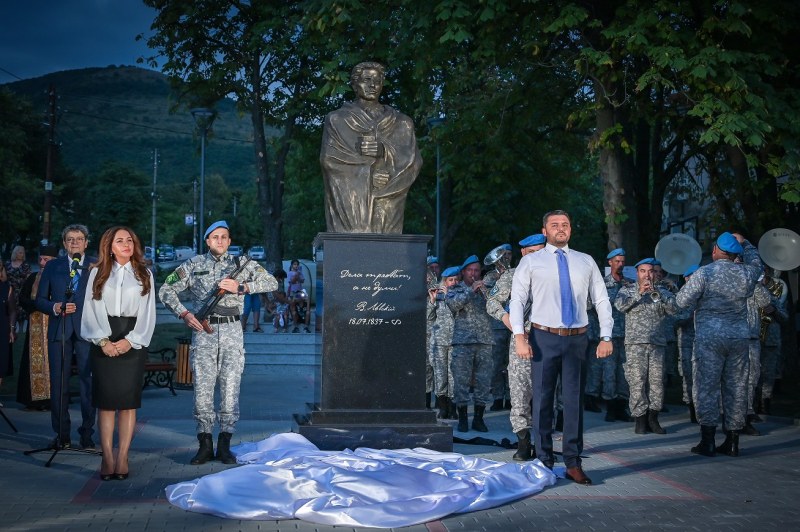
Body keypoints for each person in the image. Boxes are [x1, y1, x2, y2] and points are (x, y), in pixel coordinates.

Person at [159, 221, 277, 465]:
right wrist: (185, 314)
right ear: (207, 241)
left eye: (224, 237)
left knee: (231, 388)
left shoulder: (241, 265)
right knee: (202, 390)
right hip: (204, 331)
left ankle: (225, 444)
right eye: (215, 237)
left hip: (233, 330)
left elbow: (272, 283)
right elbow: (166, 290)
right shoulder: (194, 265)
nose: (220, 241)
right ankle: (204, 444)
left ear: (229, 241)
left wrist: (242, 286)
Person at [510, 210, 613, 485]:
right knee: (542, 400)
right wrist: (520, 336)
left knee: (573, 401)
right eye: (554, 225)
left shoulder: (585, 261)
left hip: (578, 338)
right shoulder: (531, 262)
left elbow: (601, 300)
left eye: (565, 224)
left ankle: (572, 462)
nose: (560, 229)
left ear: (570, 230)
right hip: (543, 336)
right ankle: (544, 461)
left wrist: (606, 336)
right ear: (544, 230)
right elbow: (517, 301)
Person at [674, 232, 765, 457]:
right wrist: (746, 242)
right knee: (736, 388)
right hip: (739, 338)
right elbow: (757, 262)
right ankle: (733, 442)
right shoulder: (746, 272)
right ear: (735, 253)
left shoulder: (704, 273)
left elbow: (680, 302)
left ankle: (708, 441)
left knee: (707, 387)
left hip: (710, 339)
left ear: (715, 249)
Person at [81, 227, 156, 480]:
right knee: (106, 403)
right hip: (103, 334)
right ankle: (107, 456)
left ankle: (122, 455)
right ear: (109, 246)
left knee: (127, 403)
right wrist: (103, 340)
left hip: (132, 338)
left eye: (130, 240)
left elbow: (148, 313)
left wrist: (132, 341)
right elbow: (90, 309)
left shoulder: (144, 274)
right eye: (119, 240)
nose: (126, 244)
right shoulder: (97, 273)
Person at [320, 61, 422, 233]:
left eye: (377, 80)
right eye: (366, 80)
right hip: (352, 213)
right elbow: (329, 161)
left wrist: (384, 152)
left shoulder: (402, 123)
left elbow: (413, 162)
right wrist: (367, 175)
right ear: (354, 84)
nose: (372, 85)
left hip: (388, 207)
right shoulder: (337, 120)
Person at [35, 224, 97, 449]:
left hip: (87, 331)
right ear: (64, 244)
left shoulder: (95, 265)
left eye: (79, 239)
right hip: (59, 331)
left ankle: (87, 434)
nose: (74, 243)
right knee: (58, 383)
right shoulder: (53, 266)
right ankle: (62, 435)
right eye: (70, 239)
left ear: (86, 242)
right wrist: (55, 306)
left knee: (88, 384)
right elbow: (40, 300)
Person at [486, 233, 546, 460]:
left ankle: (543, 441)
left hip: (549, 338)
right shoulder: (512, 276)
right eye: (532, 253)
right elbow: (492, 301)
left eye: (541, 252)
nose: (537, 257)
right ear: (523, 253)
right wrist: (505, 318)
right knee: (520, 390)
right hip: (522, 340)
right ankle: (523, 440)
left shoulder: (554, 275)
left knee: (546, 391)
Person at [614, 258, 680, 435]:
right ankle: (640, 420)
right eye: (643, 271)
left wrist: (660, 292)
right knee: (637, 382)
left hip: (657, 344)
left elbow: (675, 310)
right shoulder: (627, 290)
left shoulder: (663, 291)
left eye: (650, 271)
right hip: (635, 344)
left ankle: (653, 418)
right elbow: (619, 306)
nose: (647, 275)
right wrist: (639, 294)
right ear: (637, 273)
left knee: (657, 383)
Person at [447, 255, 494, 433]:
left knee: (483, 381)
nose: (473, 273)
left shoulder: (487, 289)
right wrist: (470, 291)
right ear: (464, 272)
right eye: (470, 270)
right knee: (461, 381)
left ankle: (479, 419)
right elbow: (453, 305)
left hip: (485, 340)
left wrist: (486, 293)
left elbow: (496, 307)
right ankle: (463, 418)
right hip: (463, 341)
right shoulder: (456, 289)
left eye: (476, 270)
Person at [586, 248, 632, 422]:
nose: (620, 264)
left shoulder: (629, 284)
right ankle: (610, 407)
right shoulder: (602, 284)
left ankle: (622, 405)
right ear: (610, 262)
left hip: (627, 335)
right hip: (608, 336)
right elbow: (590, 306)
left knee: (625, 372)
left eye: (622, 261)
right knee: (609, 372)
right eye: (617, 261)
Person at [15, 246, 59, 411]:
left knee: (51, 362)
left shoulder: (58, 277)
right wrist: (37, 305)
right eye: (40, 259)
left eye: (46, 260)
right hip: (34, 324)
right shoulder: (33, 277)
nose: (42, 263)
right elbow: (22, 298)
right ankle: (31, 400)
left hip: (52, 325)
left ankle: (49, 401)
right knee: (32, 362)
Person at [427, 266, 460, 419]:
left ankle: (453, 408)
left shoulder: (461, 295)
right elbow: (429, 318)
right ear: (444, 281)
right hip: (439, 341)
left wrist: (449, 297)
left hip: (455, 341)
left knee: (453, 375)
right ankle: (442, 407)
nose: (453, 283)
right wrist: (433, 301)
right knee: (440, 375)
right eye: (450, 280)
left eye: (455, 279)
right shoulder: (436, 295)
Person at [483, 244, 513, 411]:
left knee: (512, 363)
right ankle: (497, 397)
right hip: (497, 325)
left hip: (515, 323)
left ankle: (510, 397)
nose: (505, 258)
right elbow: (488, 299)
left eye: (508, 254)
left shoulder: (517, 273)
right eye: (503, 255)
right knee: (496, 363)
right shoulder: (490, 277)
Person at [758, 267, 789, 415]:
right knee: (752, 375)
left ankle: (765, 407)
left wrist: (774, 311)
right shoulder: (751, 294)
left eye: (764, 276)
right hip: (754, 340)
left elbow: (785, 317)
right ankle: (751, 407)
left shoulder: (775, 295)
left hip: (771, 340)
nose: (762, 279)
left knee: (768, 375)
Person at [675, 264, 699, 423]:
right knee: (689, 377)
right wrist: (690, 314)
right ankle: (692, 408)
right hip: (687, 342)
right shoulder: (682, 296)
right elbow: (676, 318)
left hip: (703, 341)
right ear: (686, 278)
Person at [0, 261, 18, 390]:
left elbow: (12, 310)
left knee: (1, 365)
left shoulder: (7, 287)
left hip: (2, 328)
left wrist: (12, 329)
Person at [5, 245, 31, 331]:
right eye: (20, 252)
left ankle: (20, 332)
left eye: (23, 253)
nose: (22, 254)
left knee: (21, 314)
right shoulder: (8, 264)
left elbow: (29, 279)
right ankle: (10, 331)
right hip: (10, 292)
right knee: (9, 312)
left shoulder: (26, 265)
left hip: (21, 292)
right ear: (15, 253)